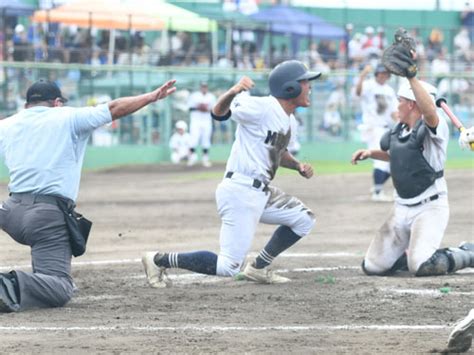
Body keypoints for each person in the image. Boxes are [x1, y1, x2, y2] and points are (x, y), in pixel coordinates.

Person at [0, 78, 176, 312]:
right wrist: (150, 97)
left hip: (9, 211)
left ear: (26, 106)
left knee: (45, 268)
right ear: (57, 102)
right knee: (60, 288)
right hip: (45, 215)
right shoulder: (68, 116)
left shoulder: (7, 124)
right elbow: (113, 109)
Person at [142, 60, 319, 286]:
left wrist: (297, 166)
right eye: (305, 82)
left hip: (261, 191)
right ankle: (158, 260)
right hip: (241, 190)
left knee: (304, 219)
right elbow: (219, 112)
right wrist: (234, 91)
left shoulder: (290, 122)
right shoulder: (263, 106)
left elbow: (278, 152)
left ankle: (258, 268)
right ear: (290, 87)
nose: (310, 87)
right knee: (228, 267)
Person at [351, 74, 474, 277]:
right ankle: (402, 254)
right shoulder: (400, 130)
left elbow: (430, 113)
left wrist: (411, 76)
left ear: (411, 104)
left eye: (400, 102)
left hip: (430, 207)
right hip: (401, 207)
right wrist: (371, 153)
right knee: (372, 266)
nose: (396, 106)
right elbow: (402, 157)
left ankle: (467, 253)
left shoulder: (435, 126)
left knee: (423, 265)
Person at [355, 63, 398, 202]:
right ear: (377, 74)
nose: (383, 75)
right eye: (381, 73)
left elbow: (393, 112)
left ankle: (377, 187)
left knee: (394, 160)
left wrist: (401, 123)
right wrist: (362, 75)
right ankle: (378, 193)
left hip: (385, 128)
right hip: (373, 127)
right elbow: (358, 92)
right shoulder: (369, 84)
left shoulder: (389, 90)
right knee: (381, 160)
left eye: (385, 73)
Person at [187, 81, 217, 167]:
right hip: (195, 120)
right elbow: (190, 108)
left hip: (206, 120)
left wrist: (206, 108)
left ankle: (205, 159)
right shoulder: (194, 96)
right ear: (200, 87)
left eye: (205, 87)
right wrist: (199, 107)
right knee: (194, 139)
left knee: (206, 139)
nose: (204, 88)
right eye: (203, 87)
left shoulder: (211, 97)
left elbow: (214, 109)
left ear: (207, 87)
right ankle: (191, 158)